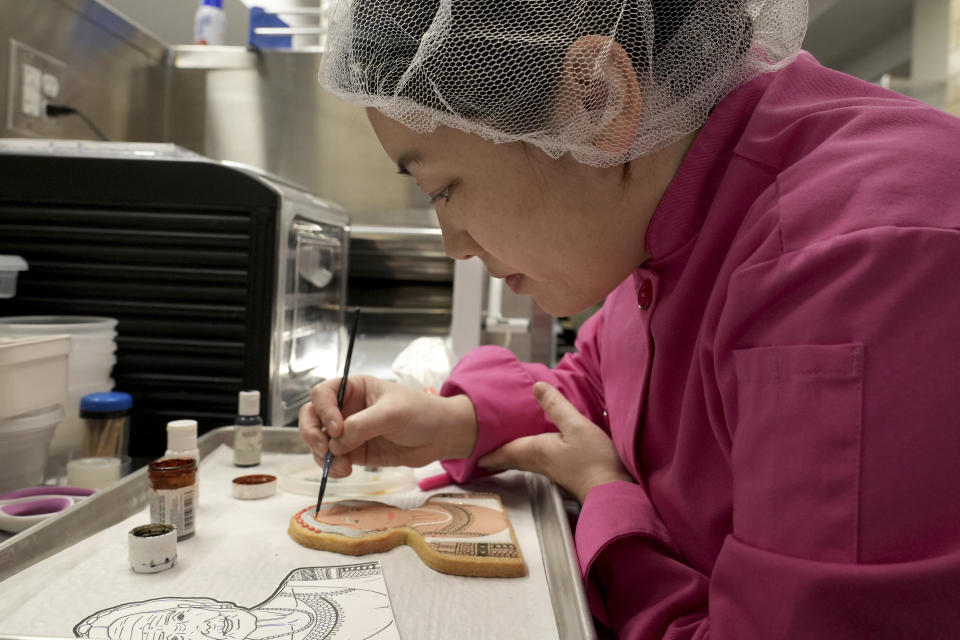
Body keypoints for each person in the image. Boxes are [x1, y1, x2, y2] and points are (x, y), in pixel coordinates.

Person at [299, 0, 960, 637]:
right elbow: (603, 381)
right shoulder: (673, 190)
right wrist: (455, 422)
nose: (454, 244)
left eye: (442, 188)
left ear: (598, 101)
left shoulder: (855, 265)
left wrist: (607, 499)